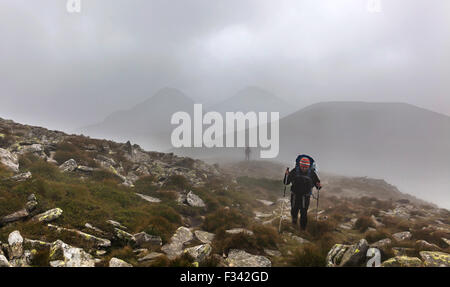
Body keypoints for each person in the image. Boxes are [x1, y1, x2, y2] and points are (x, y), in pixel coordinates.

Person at [283, 155, 321, 230]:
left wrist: (318, 185)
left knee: (303, 213)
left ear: (308, 166)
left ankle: (302, 229)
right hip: (295, 195)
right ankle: (294, 225)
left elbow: (318, 186)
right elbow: (286, 182)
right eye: (302, 166)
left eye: (306, 167)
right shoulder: (295, 171)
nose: (304, 168)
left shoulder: (312, 173)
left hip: (305, 197)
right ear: (300, 165)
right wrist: (286, 175)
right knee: (294, 210)